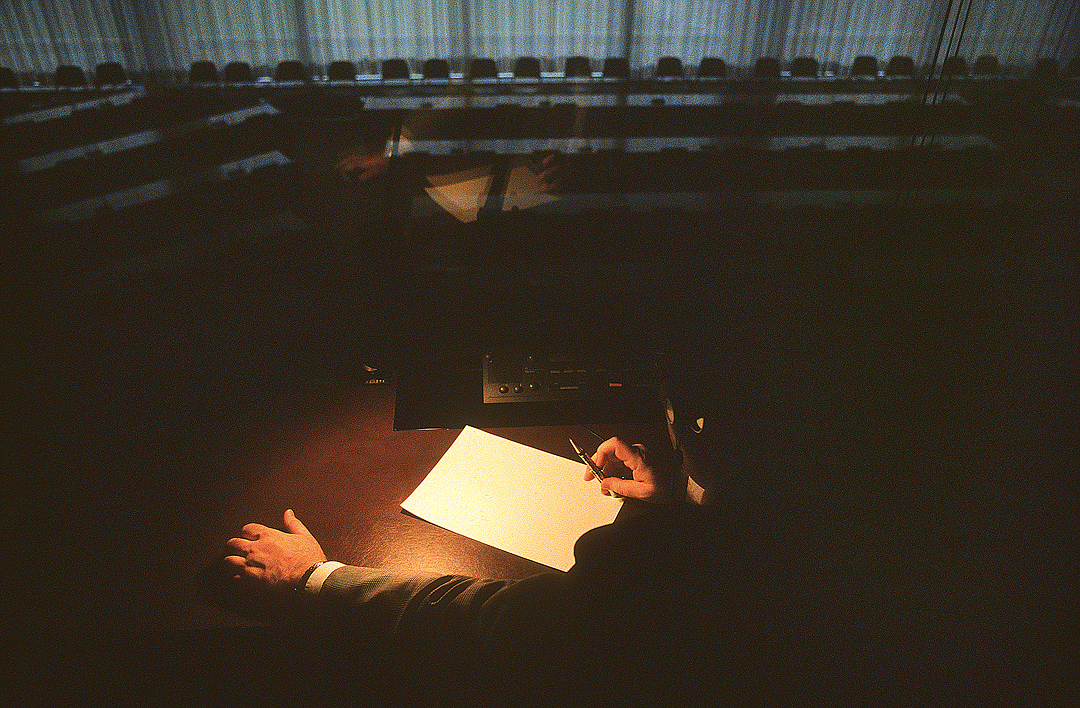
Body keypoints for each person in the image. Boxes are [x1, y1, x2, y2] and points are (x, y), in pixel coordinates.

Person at [211, 348, 1003, 706]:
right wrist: (687, 489)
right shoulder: (924, 486)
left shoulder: (668, 574)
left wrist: (317, 580)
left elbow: (490, 622)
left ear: (702, 427)